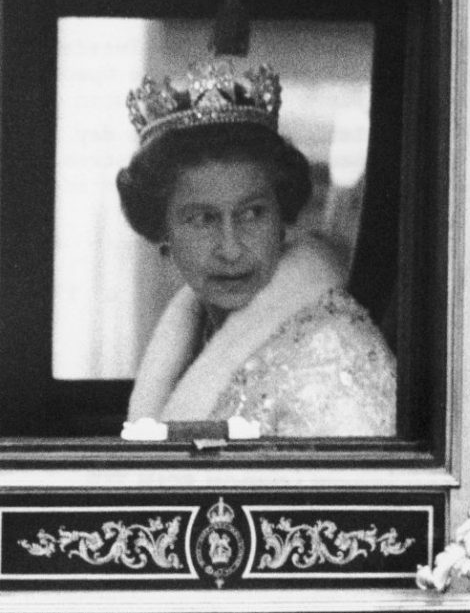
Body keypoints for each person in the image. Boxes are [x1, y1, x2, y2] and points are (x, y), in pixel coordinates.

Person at [117, 60, 396, 437]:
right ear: (162, 231)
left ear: (282, 219)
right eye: (202, 219)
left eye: (251, 213)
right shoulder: (189, 335)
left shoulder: (336, 355)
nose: (231, 248)